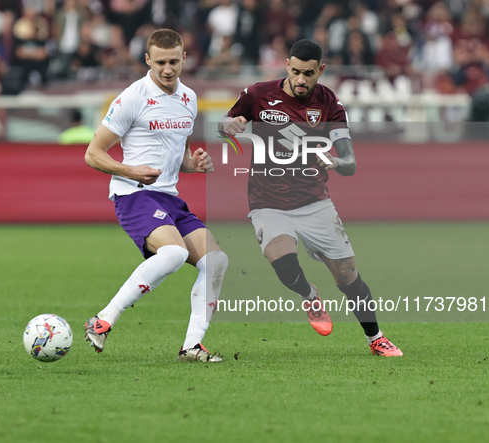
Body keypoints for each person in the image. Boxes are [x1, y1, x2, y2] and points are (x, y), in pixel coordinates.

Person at [220, 39, 402, 357]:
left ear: (321, 70)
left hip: (315, 202)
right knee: (283, 261)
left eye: (308, 73)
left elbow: (350, 163)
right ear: (286, 66)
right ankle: (309, 295)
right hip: (267, 201)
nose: (301, 80)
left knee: (347, 277)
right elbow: (224, 125)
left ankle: (376, 338)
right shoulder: (257, 94)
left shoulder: (330, 104)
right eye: (295, 71)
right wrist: (230, 126)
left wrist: (335, 161)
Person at [84, 29, 228, 363]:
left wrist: (193, 164)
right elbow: (93, 153)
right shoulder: (132, 97)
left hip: (168, 198)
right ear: (147, 60)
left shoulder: (189, 99)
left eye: (173, 61)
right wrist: (131, 170)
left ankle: (191, 346)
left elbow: (180, 154)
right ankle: (102, 320)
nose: (167, 69)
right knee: (174, 254)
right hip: (134, 195)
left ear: (184, 59)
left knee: (217, 261)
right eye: (160, 62)